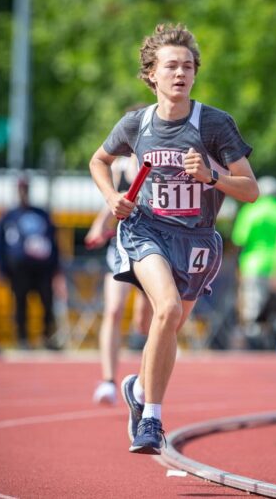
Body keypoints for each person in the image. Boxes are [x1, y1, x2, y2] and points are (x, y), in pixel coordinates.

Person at [89, 23, 258, 454]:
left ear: (195, 74)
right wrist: (112, 199)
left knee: (172, 324)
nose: (180, 73)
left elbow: (250, 189)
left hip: (197, 239)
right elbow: (99, 160)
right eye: (171, 66)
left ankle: (139, 389)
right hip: (147, 230)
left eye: (187, 66)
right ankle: (151, 420)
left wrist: (212, 176)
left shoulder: (215, 124)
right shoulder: (136, 124)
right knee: (164, 310)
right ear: (152, 74)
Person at [87, 153, 153, 405]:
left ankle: (144, 380)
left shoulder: (160, 159)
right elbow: (111, 198)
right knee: (113, 310)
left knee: (143, 323)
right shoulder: (121, 165)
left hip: (152, 248)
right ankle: (108, 381)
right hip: (121, 247)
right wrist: (98, 225)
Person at [0, 174, 64, 350]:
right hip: (19, 269)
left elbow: (54, 242)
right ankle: (22, 338)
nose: (23, 192)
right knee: (20, 304)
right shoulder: (9, 216)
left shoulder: (42, 214)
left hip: (42, 269)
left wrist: (56, 268)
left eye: (26, 189)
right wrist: (0, 268)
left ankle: (48, 337)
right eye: (21, 189)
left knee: (47, 302)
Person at [231, 176, 276, 348]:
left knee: (254, 308)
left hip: (253, 265)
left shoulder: (250, 211)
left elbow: (239, 242)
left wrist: (237, 268)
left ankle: (256, 345)